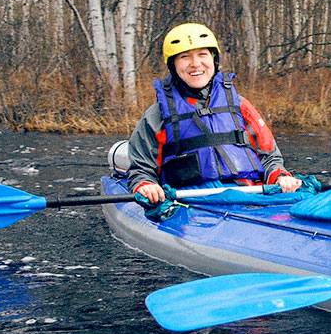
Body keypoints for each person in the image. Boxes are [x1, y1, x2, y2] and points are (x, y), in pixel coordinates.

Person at [127, 23, 302, 208]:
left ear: (213, 59)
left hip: (250, 195)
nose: (195, 64)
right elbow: (141, 169)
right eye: (184, 57)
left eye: (202, 54)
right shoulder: (157, 115)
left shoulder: (240, 106)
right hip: (191, 202)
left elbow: (270, 157)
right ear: (173, 65)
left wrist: (280, 175)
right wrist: (146, 186)